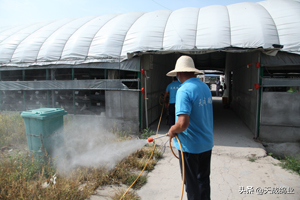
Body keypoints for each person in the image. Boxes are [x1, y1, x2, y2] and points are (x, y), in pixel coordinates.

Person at [167, 55, 213, 200]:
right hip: (206, 143)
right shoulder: (204, 87)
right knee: (203, 180)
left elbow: (182, 124)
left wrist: (172, 130)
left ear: (179, 73)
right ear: (193, 72)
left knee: (191, 184)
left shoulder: (184, 90)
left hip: (190, 146)